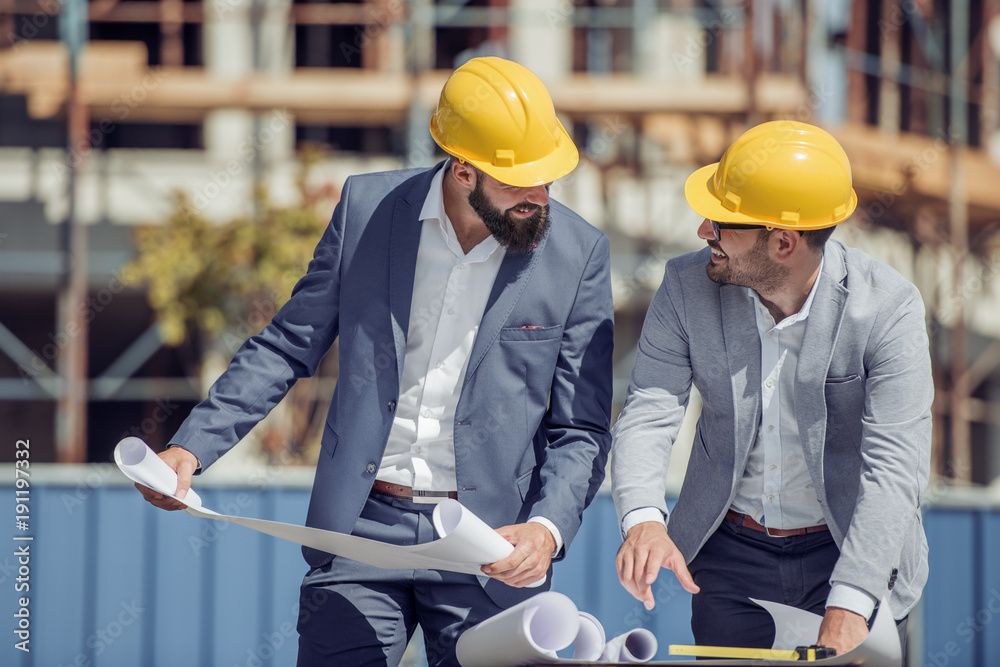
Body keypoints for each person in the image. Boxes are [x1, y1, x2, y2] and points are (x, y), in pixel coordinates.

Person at [134, 56, 614, 667]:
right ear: (463, 170)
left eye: (548, 179)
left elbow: (581, 427)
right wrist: (190, 448)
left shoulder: (578, 253)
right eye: (519, 181)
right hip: (360, 529)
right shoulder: (367, 210)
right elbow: (288, 344)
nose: (539, 197)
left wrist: (546, 529)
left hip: (491, 545)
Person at [610, 120, 931, 659]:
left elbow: (894, 468)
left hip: (850, 554)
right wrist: (642, 519)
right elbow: (650, 409)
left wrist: (850, 606)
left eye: (721, 222)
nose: (702, 231)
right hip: (729, 561)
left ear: (782, 242)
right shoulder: (686, 287)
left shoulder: (888, 310)